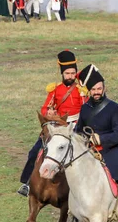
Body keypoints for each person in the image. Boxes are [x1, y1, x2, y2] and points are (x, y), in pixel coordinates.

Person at [66, 64, 118, 222]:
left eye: (99, 88)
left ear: (104, 88)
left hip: (113, 149)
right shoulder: (84, 109)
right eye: (94, 89)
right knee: (75, 176)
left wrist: (102, 138)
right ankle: (75, 218)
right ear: (89, 91)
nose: (97, 92)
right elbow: (78, 131)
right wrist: (83, 139)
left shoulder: (114, 108)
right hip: (91, 151)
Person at [17, 50, 85, 197]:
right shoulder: (55, 89)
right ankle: (27, 183)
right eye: (67, 74)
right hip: (56, 127)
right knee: (35, 152)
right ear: (62, 73)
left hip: (74, 127)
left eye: (73, 73)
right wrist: (48, 113)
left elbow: (84, 110)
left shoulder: (81, 91)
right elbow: (45, 107)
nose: (70, 76)